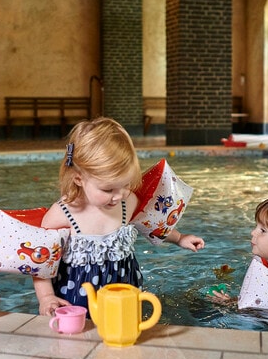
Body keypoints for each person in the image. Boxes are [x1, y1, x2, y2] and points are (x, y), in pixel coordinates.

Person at [33, 117, 205, 315]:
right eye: (108, 189)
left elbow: (150, 225)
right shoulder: (62, 214)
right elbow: (41, 262)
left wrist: (180, 238)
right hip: (77, 296)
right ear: (79, 178)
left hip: (124, 288)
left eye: (126, 184)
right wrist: (46, 298)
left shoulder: (128, 202)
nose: (119, 195)